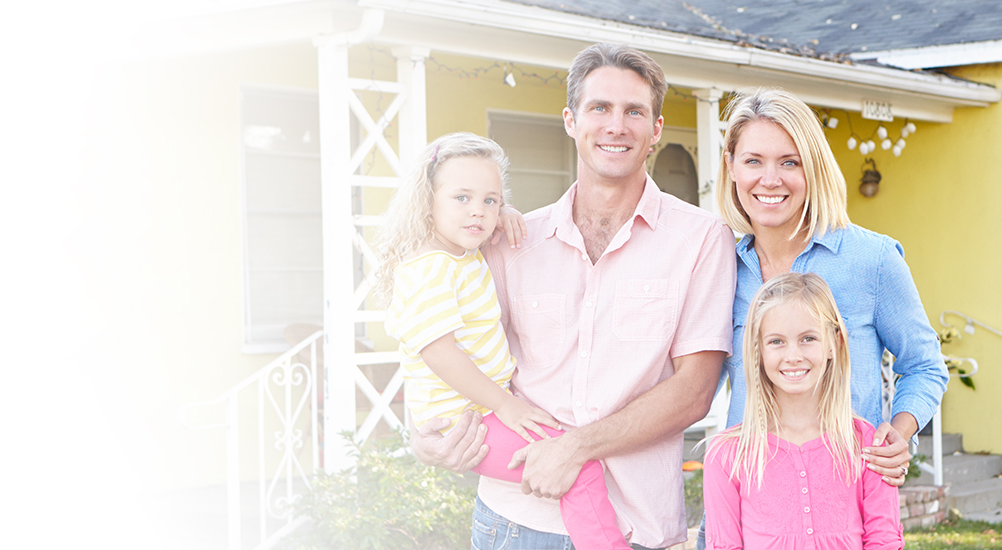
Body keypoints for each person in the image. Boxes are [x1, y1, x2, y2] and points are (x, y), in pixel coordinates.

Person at [411, 43, 737, 550]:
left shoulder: (700, 239)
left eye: (634, 111)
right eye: (599, 108)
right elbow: (444, 338)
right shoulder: (510, 241)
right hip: (513, 521)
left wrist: (575, 449)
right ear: (570, 119)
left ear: (656, 130)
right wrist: (425, 434)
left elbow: (695, 391)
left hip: (633, 527)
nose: (616, 125)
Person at [698, 86, 948, 548]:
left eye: (789, 162)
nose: (769, 179)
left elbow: (925, 365)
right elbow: (695, 382)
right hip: (745, 519)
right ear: (731, 168)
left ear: (812, 168)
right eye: (753, 161)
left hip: (846, 519)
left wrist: (899, 430)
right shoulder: (717, 269)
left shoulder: (871, 259)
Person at [375, 131, 631, 550]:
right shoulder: (428, 269)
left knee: (570, 456)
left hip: (482, 408)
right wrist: (505, 404)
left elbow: (479, 214)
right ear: (428, 202)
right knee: (577, 467)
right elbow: (439, 352)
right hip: (468, 418)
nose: (477, 212)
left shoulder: (461, 251)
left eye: (489, 200)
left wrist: (505, 213)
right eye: (462, 199)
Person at [703, 272, 904, 549]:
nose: (793, 355)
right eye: (776, 341)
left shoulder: (867, 444)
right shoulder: (728, 455)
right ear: (757, 350)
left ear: (835, 343)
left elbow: (884, 540)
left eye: (808, 338)